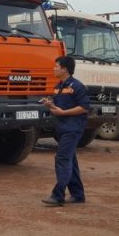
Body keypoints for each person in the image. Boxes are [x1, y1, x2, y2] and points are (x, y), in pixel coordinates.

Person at [41, 56, 90, 206]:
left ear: (65, 69)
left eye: (56, 66)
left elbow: (84, 107)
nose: (54, 69)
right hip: (62, 128)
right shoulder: (58, 87)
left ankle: (58, 196)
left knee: (62, 158)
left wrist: (64, 113)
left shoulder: (77, 86)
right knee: (70, 160)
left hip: (73, 128)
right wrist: (50, 105)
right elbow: (59, 106)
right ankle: (77, 194)